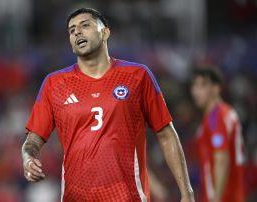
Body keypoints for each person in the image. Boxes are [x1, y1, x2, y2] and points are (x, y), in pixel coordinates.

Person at [22, 8, 194, 202]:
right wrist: (28, 158)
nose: (77, 32)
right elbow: (33, 141)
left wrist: (186, 192)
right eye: (71, 30)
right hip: (75, 196)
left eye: (85, 25)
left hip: (127, 196)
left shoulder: (137, 76)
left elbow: (166, 134)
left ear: (105, 32)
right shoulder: (54, 84)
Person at [191, 68, 245, 202]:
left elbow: (221, 159)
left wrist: (216, 199)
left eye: (202, 85)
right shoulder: (225, 113)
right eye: (194, 85)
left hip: (222, 197)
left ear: (216, 89)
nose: (195, 91)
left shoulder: (217, 117)